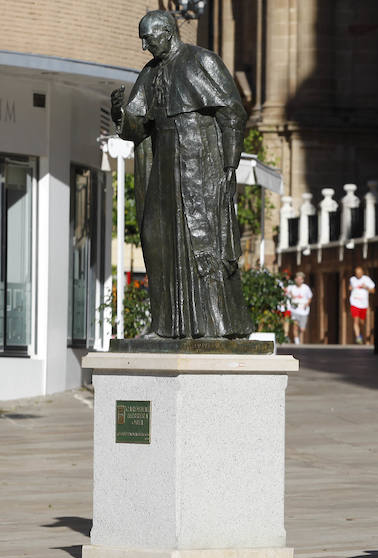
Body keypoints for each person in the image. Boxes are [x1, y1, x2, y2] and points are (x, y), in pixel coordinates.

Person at [111, 10, 254, 338]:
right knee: (155, 238)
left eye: (148, 39)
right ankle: (164, 325)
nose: (144, 47)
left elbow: (232, 113)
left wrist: (229, 166)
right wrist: (121, 114)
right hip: (163, 166)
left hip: (199, 162)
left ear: (167, 32)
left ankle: (216, 325)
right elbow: (137, 127)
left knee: (201, 240)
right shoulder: (150, 73)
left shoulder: (202, 61)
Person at [349, 266, 375, 344]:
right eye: (357, 273)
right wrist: (350, 288)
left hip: (363, 304)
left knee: (362, 322)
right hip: (354, 303)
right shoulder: (352, 279)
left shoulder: (366, 279)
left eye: (360, 273)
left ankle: (363, 335)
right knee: (355, 320)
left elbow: (373, 290)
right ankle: (358, 337)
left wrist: (366, 287)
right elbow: (350, 287)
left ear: (362, 272)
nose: (358, 274)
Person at [286, 272, 313, 344]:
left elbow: (310, 297)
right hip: (294, 310)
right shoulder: (292, 288)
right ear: (295, 279)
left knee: (302, 329)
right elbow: (285, 291)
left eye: (300, 279)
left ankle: (301, 341)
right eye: (297, 279)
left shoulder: (306, 288)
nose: (299, 281)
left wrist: (307, 304)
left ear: (303, 280)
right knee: (295, 326)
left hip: (304, 311)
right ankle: (297, 342)